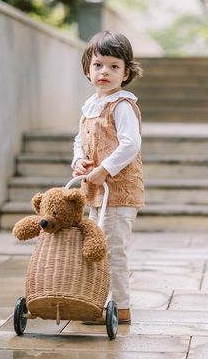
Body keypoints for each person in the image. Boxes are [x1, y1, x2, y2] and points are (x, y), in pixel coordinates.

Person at [72, 30, 144, 325]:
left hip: (119, 191)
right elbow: (80, 140)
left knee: (113, 250)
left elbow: (131, 143)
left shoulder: (122, 105)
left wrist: (105, 169)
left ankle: (121, 307)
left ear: (126, 73)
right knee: (97, 248)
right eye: (98, 65)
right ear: (88, 69)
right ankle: (98, 301)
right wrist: (80, 161)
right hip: (97, 191)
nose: (105, 72)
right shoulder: (91, 106)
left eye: (114, 66)